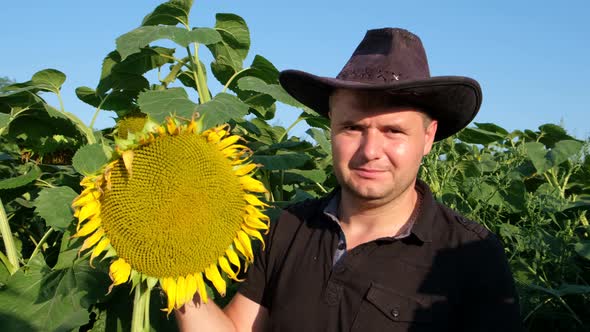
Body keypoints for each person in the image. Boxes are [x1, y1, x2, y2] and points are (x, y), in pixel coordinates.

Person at [176, 28, 522, 331]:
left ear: (428, 137)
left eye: (393, 131)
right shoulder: (290, 228)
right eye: (352, 127)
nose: (370, 150)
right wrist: (170, 262)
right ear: (331, 126)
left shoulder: (467, 255)